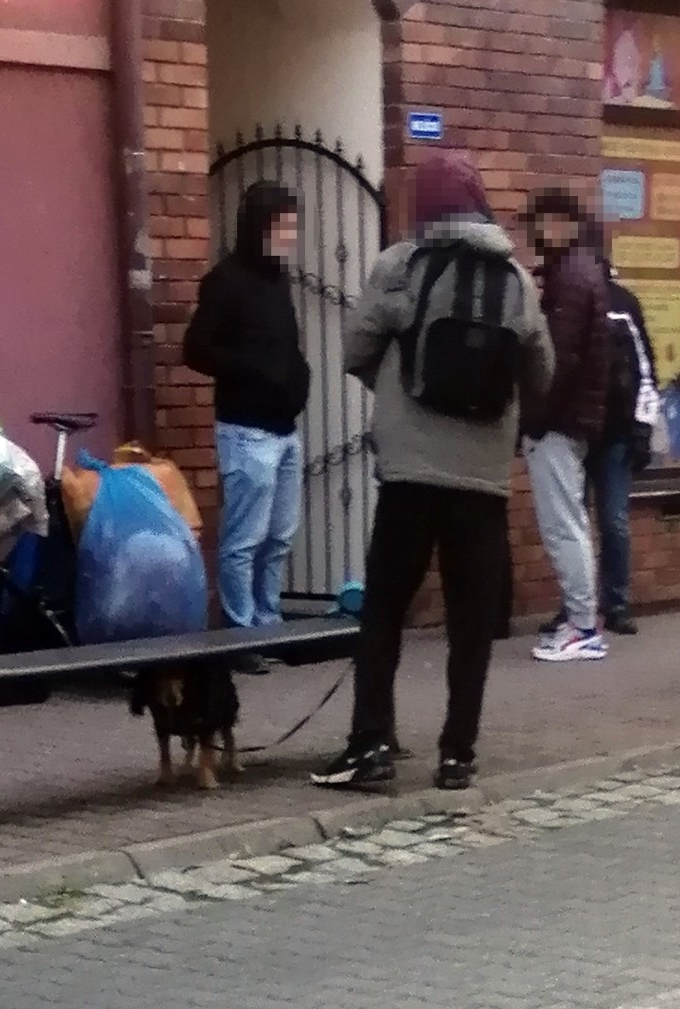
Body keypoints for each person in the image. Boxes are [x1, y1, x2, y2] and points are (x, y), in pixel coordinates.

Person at [311, 151, 554, 791]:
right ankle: (458, 756)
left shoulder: (401, 265)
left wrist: (394, 388)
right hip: (483, 480)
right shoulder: (517, 280)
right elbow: (542, 374)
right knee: (471, 622)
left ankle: (371, 745)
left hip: (410, 474)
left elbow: (357, 346)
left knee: (385, 609)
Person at [183, 182, 310, 674]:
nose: (289, 235)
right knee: (244, 540)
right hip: (246, 431)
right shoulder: (226, 281)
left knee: (279, 537)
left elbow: (285, 347)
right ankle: (241, 637)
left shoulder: (279, 280)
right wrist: (254, 368)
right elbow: (197, 349)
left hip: (285, 429)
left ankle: (267, 623)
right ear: (260, 227)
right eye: (282, 225)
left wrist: (298, 375)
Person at [540, 261, 659, 636]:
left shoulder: (623, 304)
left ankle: (616, 604)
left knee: (613, 521)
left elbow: (645, 370)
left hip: (615, 435)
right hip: (577, 431)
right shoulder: (563, 304)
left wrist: (642, 428)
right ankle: (577, 607)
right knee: (573, 526)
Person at [520, 187, 610, 662]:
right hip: (572, 419)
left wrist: (533, 417)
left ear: (562, 223)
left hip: (559, 421)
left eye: (540, 223)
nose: (535, 234)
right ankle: (583, 621)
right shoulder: (579, 270)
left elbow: (557, 357)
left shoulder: (571, 278)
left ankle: (581, 626)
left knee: (563, 526)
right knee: (570, 521)